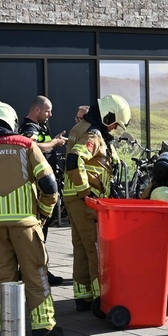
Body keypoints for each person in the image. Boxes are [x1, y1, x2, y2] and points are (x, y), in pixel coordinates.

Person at [0, 102, 62, 336]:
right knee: (36, 274)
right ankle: (43, 326)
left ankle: (7, 327)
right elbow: (49, 185)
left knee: (2, 279)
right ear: (12, 122)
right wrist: (44, 214)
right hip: (26, 223)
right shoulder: (26, 145)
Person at [62, 94, 131, 316]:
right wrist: (86, 191)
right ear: (108, 116)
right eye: (114, 124)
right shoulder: (93, 134)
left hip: (74, 197)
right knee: (95, 248)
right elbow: (74, 159)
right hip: (85, 200)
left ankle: (82, 297)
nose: (114, 129)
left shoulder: (83, 127)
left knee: (82, 247)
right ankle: (100, 297)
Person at [19, 96, 68, 286]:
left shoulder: (39, 127)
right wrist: (54, 144)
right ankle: (39, 272)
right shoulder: (30, 128)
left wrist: (54, 141)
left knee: (42, 231)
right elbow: (31, 146)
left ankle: (37, 270)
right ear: (37, 110)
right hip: (39, 188)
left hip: (43, 185)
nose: (51, 114)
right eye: (48, 111)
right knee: (40, 231)